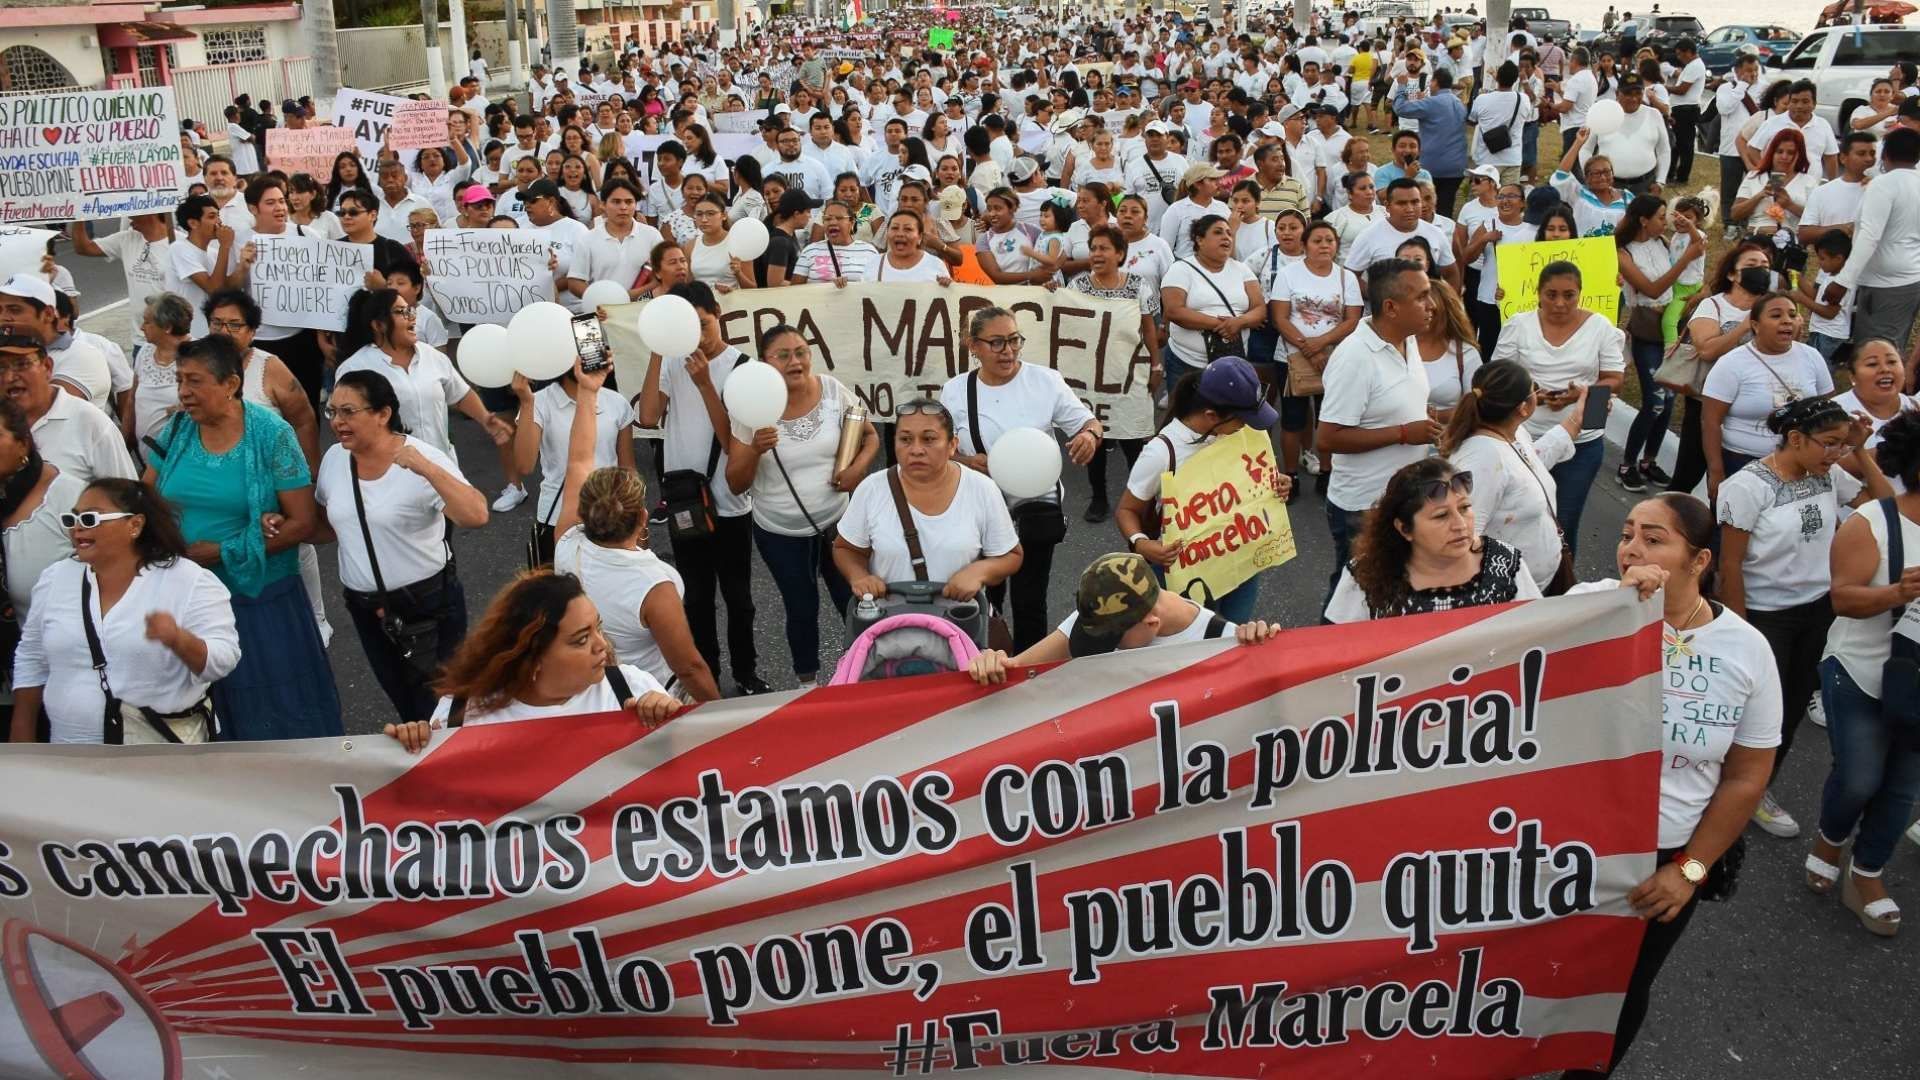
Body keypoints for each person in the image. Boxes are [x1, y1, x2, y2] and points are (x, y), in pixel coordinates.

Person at [1559, 494, 1776, 1079]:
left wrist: (1690, 871)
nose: (1632, 548)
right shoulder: (1588, 605)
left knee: (1620, 993)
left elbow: (1747, 775)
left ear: (1699, 559)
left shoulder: (1747, 651)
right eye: (1628, 533)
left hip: (1660, 861)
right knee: (1528, 978)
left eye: (1655, 539)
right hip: (1560, 844)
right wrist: (1618, 607)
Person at [143, 333, 337, 740]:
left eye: (195, 381)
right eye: (179, 380)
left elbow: (302, 523)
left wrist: (224, 551)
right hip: (188, 598)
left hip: (258, 602)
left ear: (231, 384)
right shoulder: (177, 430)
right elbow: (147, 499)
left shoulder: (271, 434)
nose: (184, 393)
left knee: (273, 712)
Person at [1718, 397, 1888, 841]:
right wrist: (1739, 631)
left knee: (1789, 708)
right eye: (1829, 444)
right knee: (1750, 709)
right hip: (1765, 617)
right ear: (1795, 439)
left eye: (1840, 445)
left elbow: (1886, 507)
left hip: (1817, 612)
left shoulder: (1828, 474)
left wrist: (1861, 452)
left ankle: (1756, 790)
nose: (1836, 453)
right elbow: (1730, 565)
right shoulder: (1748, 486)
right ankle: (1721, 783)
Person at [309, 368, 484, 723]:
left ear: (383, 414)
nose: (337, 422)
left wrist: (427, 469)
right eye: (333, 412)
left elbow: (476, 515)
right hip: (366, 609)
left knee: (444, 709)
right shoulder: (335, 459)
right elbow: (333, 525)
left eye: (348, 412)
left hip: (428, 605)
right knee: (405, 704)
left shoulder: (422, 458)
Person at [9, 478, 239, 744]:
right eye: (73, 520)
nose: (78, 529)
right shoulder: (55, 578)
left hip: (158, 754)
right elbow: (31, 658)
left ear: (135, 525)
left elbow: (223, 660)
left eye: (91, 518)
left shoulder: (189, 580)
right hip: (68, 751)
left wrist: (178, 639)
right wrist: (22, 732)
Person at [546, 359, 717, 703]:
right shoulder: (655, 583)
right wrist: (720, 715)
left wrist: (587, 390)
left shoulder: (567, 542)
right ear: (642, 518)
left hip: (595, 695)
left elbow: (578, 460)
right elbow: (689, 668)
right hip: (651, 699)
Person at [1813, 409, 1920, 935]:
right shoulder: (1872, 523)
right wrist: (1896, 593)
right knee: (1859, 778)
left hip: (1917, 690)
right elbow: (1843, 598)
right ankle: (1830, 838)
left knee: (1902, 789)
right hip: (1858, 669)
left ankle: (1868, 873)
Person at [938, 307, 1101, 650]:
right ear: (973, 346)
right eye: (996, 343)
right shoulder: (955, 391)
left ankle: (1028, 673)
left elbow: (1088, 422)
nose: (1008, 351)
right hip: (981, 505)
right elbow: (943, 448)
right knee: (984, 596)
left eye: (1014, 340)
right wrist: (967, 460)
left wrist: (1089, 436)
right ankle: (987, 660)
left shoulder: (1045, 381)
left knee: (1030, 598)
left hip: (1036, 505)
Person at [724, 325, 877, 687]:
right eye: (784, 355)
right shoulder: (751, 405)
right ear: (765, 363)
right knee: (801, 607)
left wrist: (856, 470)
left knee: (855, 601)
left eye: (802, 351)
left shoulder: (832, 390)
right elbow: (735, 482)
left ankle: (869, 672)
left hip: (839, 525)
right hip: (781, 533)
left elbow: (868, 436)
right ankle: (807, 684)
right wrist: (755, 450)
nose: (796, 361)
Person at [635, 282, 768, 696]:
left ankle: (746, 673)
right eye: (686, 327)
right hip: (685, 501)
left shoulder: (743, 366)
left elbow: (732, 442)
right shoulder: (674, 362)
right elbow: (648, 416)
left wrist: (707, 383)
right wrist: (659, 348)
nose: (696, 335)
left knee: (738, 598)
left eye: (703, 324)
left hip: (729, 503)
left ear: (718, 315)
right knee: (695, 599)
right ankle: (706, 676)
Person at [382, 570, 680, 749]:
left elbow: (690, 781)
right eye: (581, 639)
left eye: (598, 628)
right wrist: (413, 749)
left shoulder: (631, 688)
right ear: (532, 658)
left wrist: (674, 723)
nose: (602, 645)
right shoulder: (459, 716)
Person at [1113, 357, 1283, 621]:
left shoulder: (1242, 433)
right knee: (1190, 642)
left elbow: (1253, 478)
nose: (1247, 425)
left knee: (1232, 637)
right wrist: (1142, 544)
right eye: (1242, 419)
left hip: (1242, 561)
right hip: (1186, 574)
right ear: (1211, 416)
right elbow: (1126, 509)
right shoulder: (1161, 452)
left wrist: (1276, 483)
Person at [965, 552, 1278, 682]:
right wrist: (992, 662)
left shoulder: (1224, 642)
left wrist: (1267, 653)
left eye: (1111, 639)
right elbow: (1020, 669)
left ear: (1151, 623)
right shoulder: (1103, 611)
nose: (1100, 643)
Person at [1317, 258, 1441, 585]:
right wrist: (1403, 433)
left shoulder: (1409, 338)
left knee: (1391, 592)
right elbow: (1328, 438)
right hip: (1363, 507)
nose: (1432, 305)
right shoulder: (1355, 357)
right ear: (1391, 307)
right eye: (1422, 297)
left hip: (1402, 497)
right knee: (1352, 598)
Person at [1489, 260, 1625, 548]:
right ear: (1538, 293)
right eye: (1551, 294)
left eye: (1569, 295)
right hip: (1524, 440)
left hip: (1581, 443)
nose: (1560, 303)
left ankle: (1561, 585)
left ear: (1580, 293)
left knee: (1563, 522)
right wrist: (1529, 394)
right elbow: (1498, 375)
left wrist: (1581, 393)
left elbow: (1615, 378)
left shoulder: (1600, 327)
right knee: (1515, 519)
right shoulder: (1518, 325)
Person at [832, 400, 1022, 605]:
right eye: (905, 439)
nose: (916, 450)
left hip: (959, 629)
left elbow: (1010, 555)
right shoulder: (872, 489)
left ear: (952, 445)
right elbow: (846, 548)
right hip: (887, 628)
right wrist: (859, 576)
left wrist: (979, 572)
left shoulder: (982, 489)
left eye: (928, 439)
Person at [1325, 456, 1542, 621]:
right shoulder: (1365, 576)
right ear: (1405, 529)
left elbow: (1537, 634)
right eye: (1441, 516)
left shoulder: (1505, 564)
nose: (1460, 525)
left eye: (1465, 508)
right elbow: (1338, 652)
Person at [335, 289, 511, 465]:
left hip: (442, 466)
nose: (411, 317)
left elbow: (460, 394)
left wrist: (486, 419)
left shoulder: (432, 356)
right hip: (389, 474)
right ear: (379, 325)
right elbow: (346, 424)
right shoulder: (354, 369)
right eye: (400, 312)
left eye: (410, 310)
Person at [1702, 291, 1836, 502]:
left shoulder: (1812, 356)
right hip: (1741, 463)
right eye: (1776, 316)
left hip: (1798, 464)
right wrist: (1716, 471)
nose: (1786, 321)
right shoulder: (1731, 364)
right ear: (1755, 325)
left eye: (1792, 315)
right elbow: (1710, 421)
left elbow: (1828, 409)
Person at [1067, 225, 1161, 522]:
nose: (1097, 254)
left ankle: (1140, 498)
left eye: (1104, 248)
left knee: (1133, 438)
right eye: (1093, 248)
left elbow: (1148, 328)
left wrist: (1156, 365)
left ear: (1119, 254)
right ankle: (1099, 498)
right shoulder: (1078, 286)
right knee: (1096, 438)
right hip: (1092, 376)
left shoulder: (1137, 285)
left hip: (1128, 372)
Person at [510, 344, 636, 565]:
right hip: (558, 515)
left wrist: (636, 515)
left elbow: (628, 470)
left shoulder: (616, 402)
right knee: (563, 595)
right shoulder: (539, 402)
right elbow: (524, 466)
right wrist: (526, 402)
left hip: (612, 515)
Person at [1616, 195, 1704, 491]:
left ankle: (1648, 461)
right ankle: (1627, 464)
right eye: (1660, 216)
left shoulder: (1664, 242)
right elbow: (1652, 289)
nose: (1664, 221)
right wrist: (1685, 261)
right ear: (1643, 220)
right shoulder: (1623, 252)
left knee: (1668, 402)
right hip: (1646, 329)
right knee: (1653, 401)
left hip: (1671, 327)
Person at [1824, 127, 1920, 356]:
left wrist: (1843, 281)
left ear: (1885, 155)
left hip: (1885, 281)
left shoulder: (1883, 184)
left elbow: (1869, 236)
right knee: (1892, 344)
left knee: (1877, 350)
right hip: (1910, 276)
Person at [0, 333, 134, 486]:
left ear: (47, 367)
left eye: (22, 364)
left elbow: (126, 497)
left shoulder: (89, 423)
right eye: (1, 368)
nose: (9, 377)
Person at [1160, 215, 1266, 386]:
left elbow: (1259, 308)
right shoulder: (1180, 269)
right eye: (1218, 232)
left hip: (1232, 362)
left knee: (1227, 412)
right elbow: (1174, 311)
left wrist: (1240, 322)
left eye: (1229, 234)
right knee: (1188, 412)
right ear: (1200, 240)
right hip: (1187, 364)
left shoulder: (1242, 269)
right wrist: (1223, 325)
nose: (1226, 237)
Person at [1731, 128, 1816, 240]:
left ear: (1799, 155)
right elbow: (1735, 214)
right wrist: (1760, 195)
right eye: (1779, 151)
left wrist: (1790, 205)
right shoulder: (1755, 177)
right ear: (1772, 153)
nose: (1784, 157)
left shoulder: (1808, 182)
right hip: (1756, 238)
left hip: (1789, 242)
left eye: (1791, 153)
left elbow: (1815, 221)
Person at [1415, 279, 1481, 420]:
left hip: (1448, 437)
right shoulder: (1396, 347)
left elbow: (1477, 407)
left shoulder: (1465, 353)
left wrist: (1433, 416)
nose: (1424, 314)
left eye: (1430, 309)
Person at [1550, 129, 1630, 237]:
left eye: (1606, 172)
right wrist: (1578, 143)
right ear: (1587, 178)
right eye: (1596, 173)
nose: (1602, 177)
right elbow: (1561, 175)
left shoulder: (1626, 197)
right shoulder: (1579, 194)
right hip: (1584, 251)